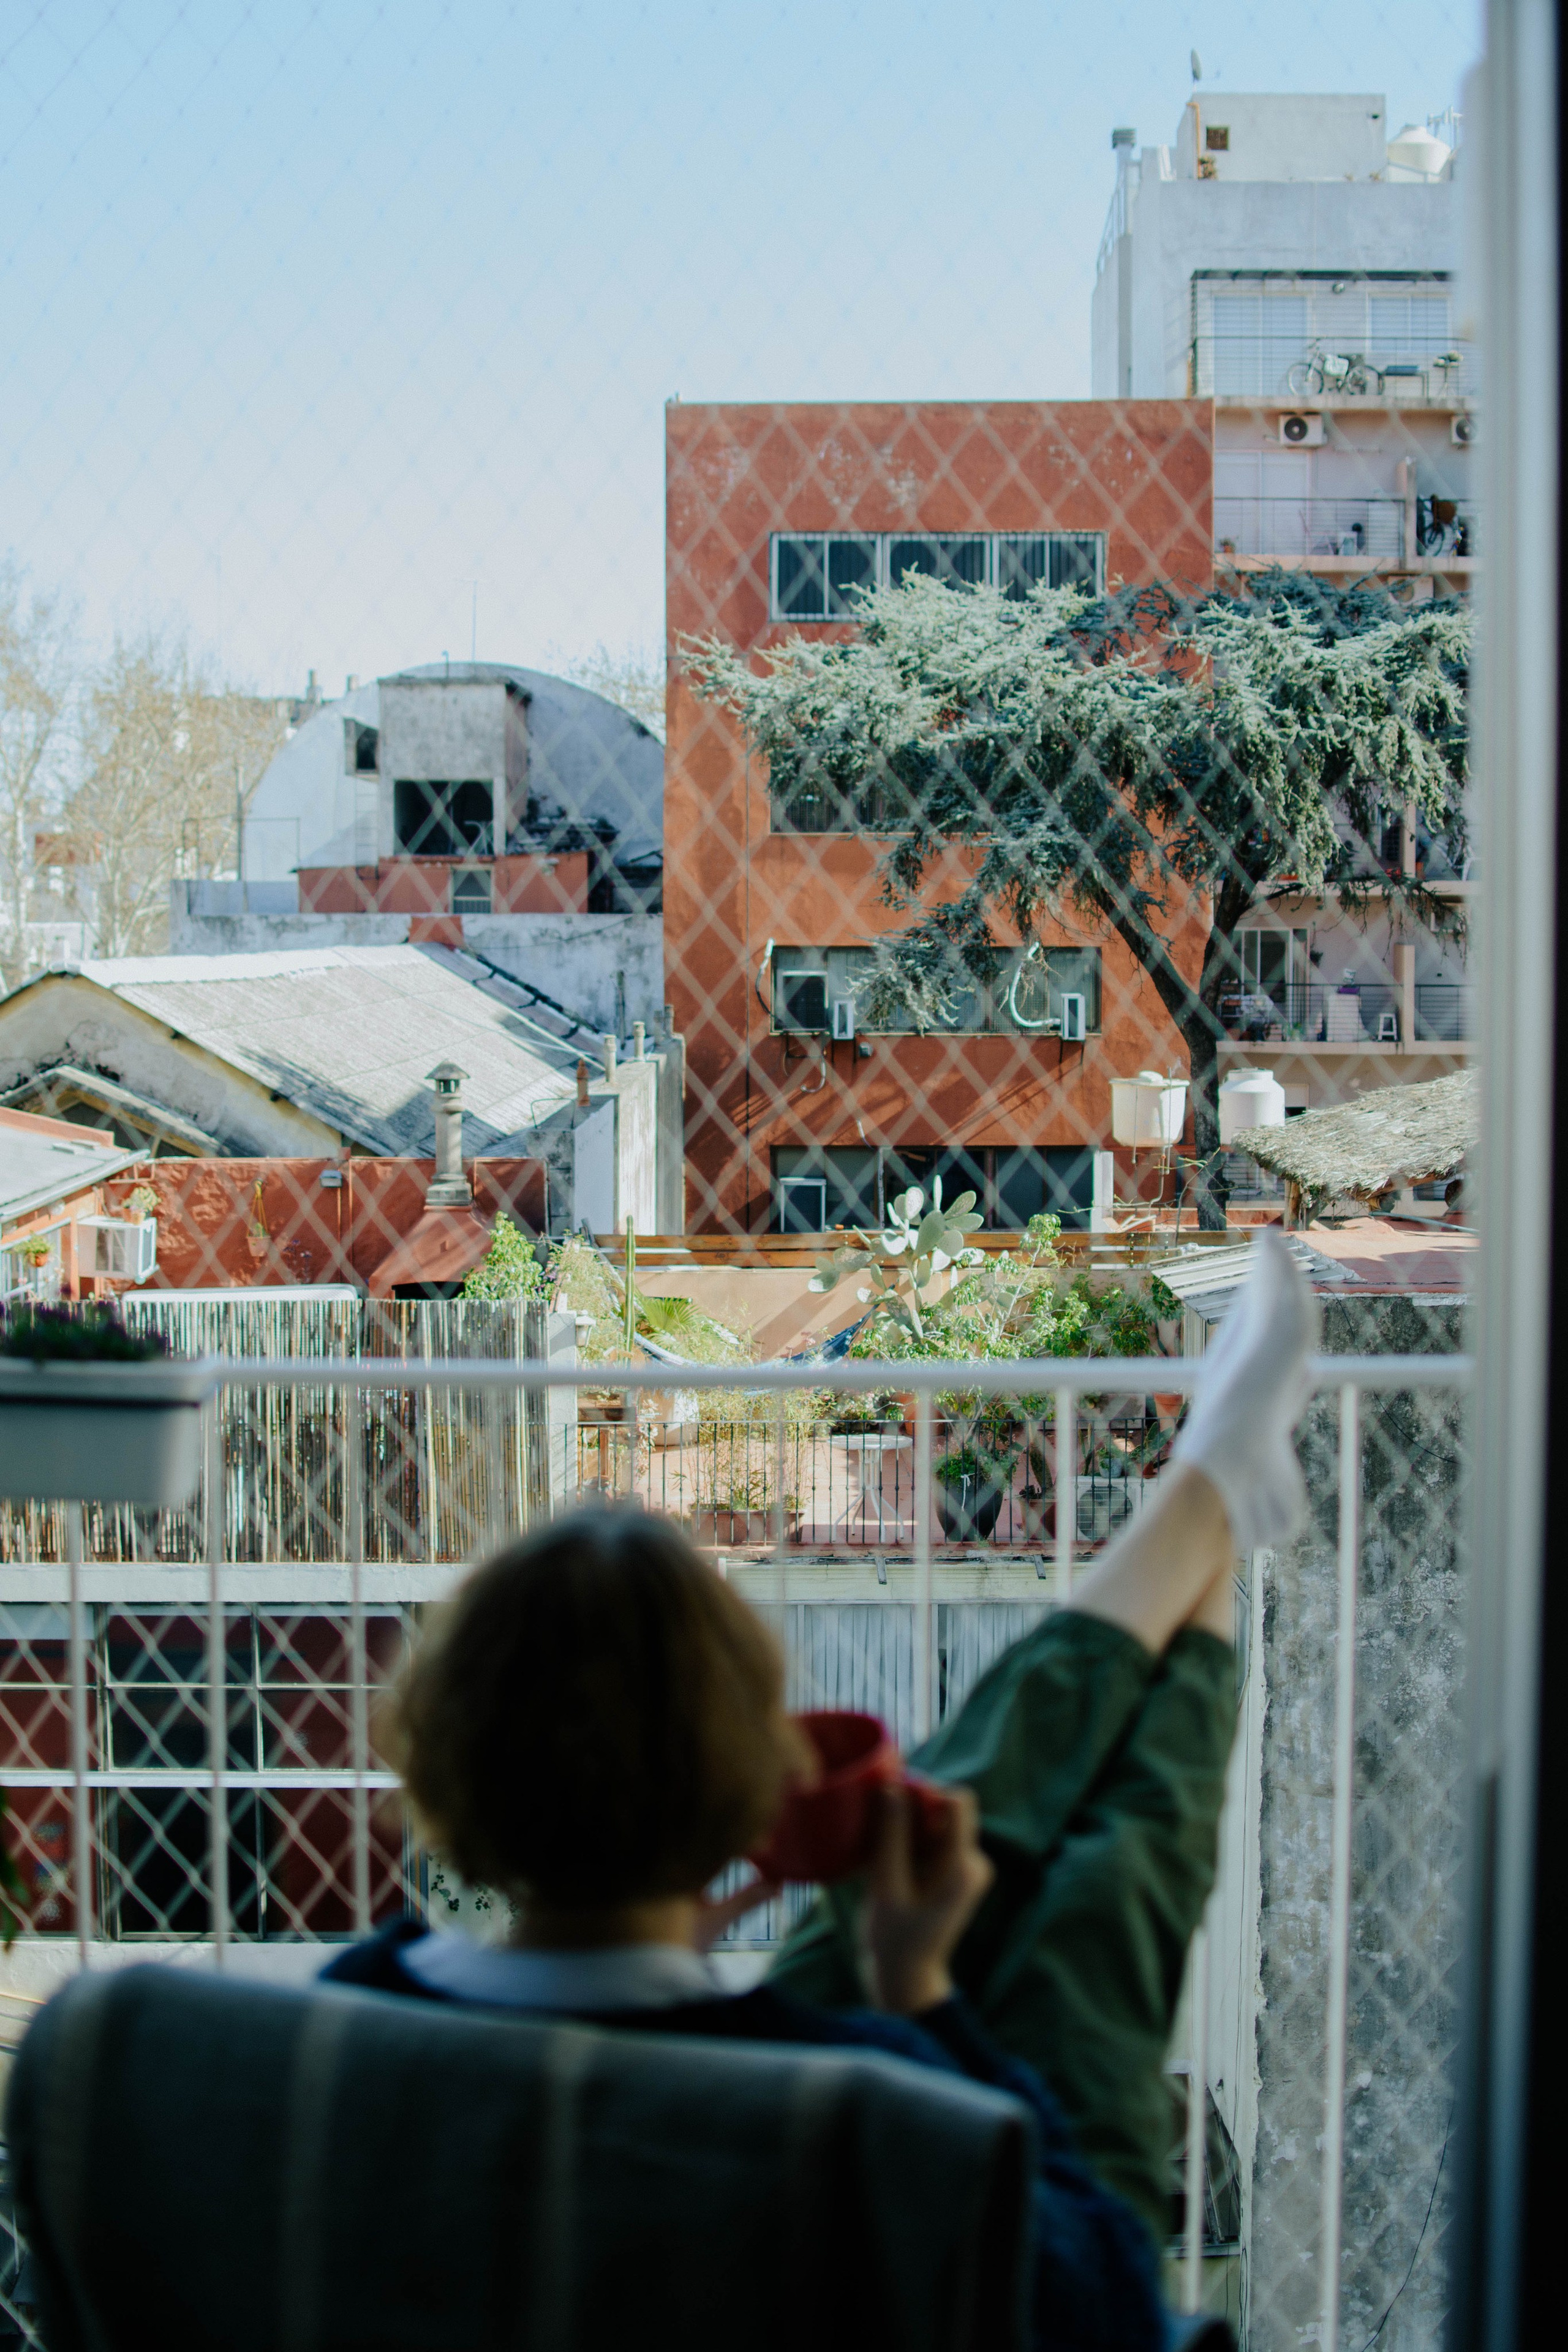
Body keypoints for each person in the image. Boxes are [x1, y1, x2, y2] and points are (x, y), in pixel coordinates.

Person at [325, 1231, 1319, 2350]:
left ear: (438, 1762)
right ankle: (1211, 1505)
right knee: (1086, 1915)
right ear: (754, 1792)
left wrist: (667, 1959)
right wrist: (917, 1993)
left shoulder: (339, 2032)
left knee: (1041, 1851)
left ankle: (1215, 1502)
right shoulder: (844, 2095)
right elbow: (1100, 2307)